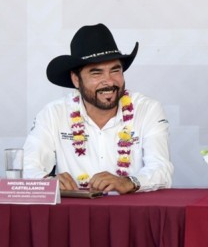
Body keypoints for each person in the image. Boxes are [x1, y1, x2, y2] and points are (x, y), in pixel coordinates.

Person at [23, 23, 174, 194]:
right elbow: (26, 166)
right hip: (73, 210)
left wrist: (128, 182)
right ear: (76, 80)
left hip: (130, 209)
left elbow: (161, 168)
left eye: (115, 71)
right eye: (97, 73)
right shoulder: (53, 114)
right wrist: (47, 181)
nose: (109, 81)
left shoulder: (147, 110)